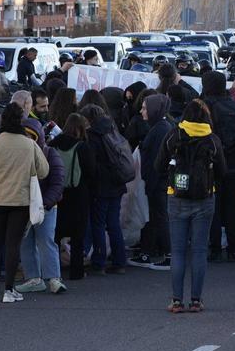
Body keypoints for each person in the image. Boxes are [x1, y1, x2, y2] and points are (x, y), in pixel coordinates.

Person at [0, 102, 49, 303]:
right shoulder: (29, 144)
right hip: (20, 199)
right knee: (13, 244)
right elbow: (43, 171)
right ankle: (9, 289)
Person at [157, 99, 227, 313]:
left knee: (177, 252)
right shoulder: (212, 139)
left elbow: (158, 165)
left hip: (176, 198)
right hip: (204, 199)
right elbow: (223, 172)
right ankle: (196, 300)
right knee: (199, 250)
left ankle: (176, 300)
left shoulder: (174, 135)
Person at [201, 69, 235, 263]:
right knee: (232, 207)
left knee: (214, 207)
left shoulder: (206, 107)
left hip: (212, 166)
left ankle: (214, 248)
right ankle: (233, 248)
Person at [15, 118, 65, 294]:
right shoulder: (41, 153)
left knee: (46, 241)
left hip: (44, 205)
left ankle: (53, 278)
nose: (27, 139)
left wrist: (46, 203)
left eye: (30, 136)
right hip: (25, 205)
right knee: (26, 242)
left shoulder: (49, 153)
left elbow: (58, 182)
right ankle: (35, 278)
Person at [80, 103, 130, 274]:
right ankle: (119, 261)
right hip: (117, 182)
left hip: (101, 186)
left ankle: (99, 262)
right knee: (113, 224)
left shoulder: (92, 135)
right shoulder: (112, 128)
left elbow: (92, 164)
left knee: (98, 224)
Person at [49, 113, 97, 281]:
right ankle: (76, 272)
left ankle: (52, 271)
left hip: (56, 193)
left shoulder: (53, 144)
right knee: (78, 236)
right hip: (78, 194)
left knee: (54, 235)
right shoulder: (82, 147)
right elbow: (92, 171)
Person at [129, 95, 174, 270]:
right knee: (155, 217)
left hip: (157, 182)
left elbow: (157, 161)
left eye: (145, 108)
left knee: (159, 217)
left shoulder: (159, 130)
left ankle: (168, 255)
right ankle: (148, 252)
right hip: (156, 182)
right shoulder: (160, 127)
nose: (142, 111)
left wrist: (151, 182)